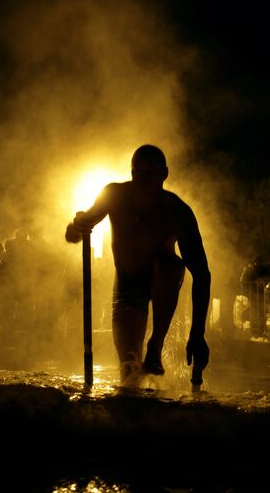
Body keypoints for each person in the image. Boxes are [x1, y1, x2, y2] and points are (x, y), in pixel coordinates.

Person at [65, 144, 211, 383]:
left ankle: (156, 344)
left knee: (170, 265)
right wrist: (76, 226)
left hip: (162, 280)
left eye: (149, 174)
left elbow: (202, 274)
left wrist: (197, 334)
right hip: (127, 286)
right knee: (130, 370)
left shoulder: (177, 211)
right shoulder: (114, 195)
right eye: (137, 172)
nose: (141, 179)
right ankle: (134, 407)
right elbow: (73, 236)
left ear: (164, 174)